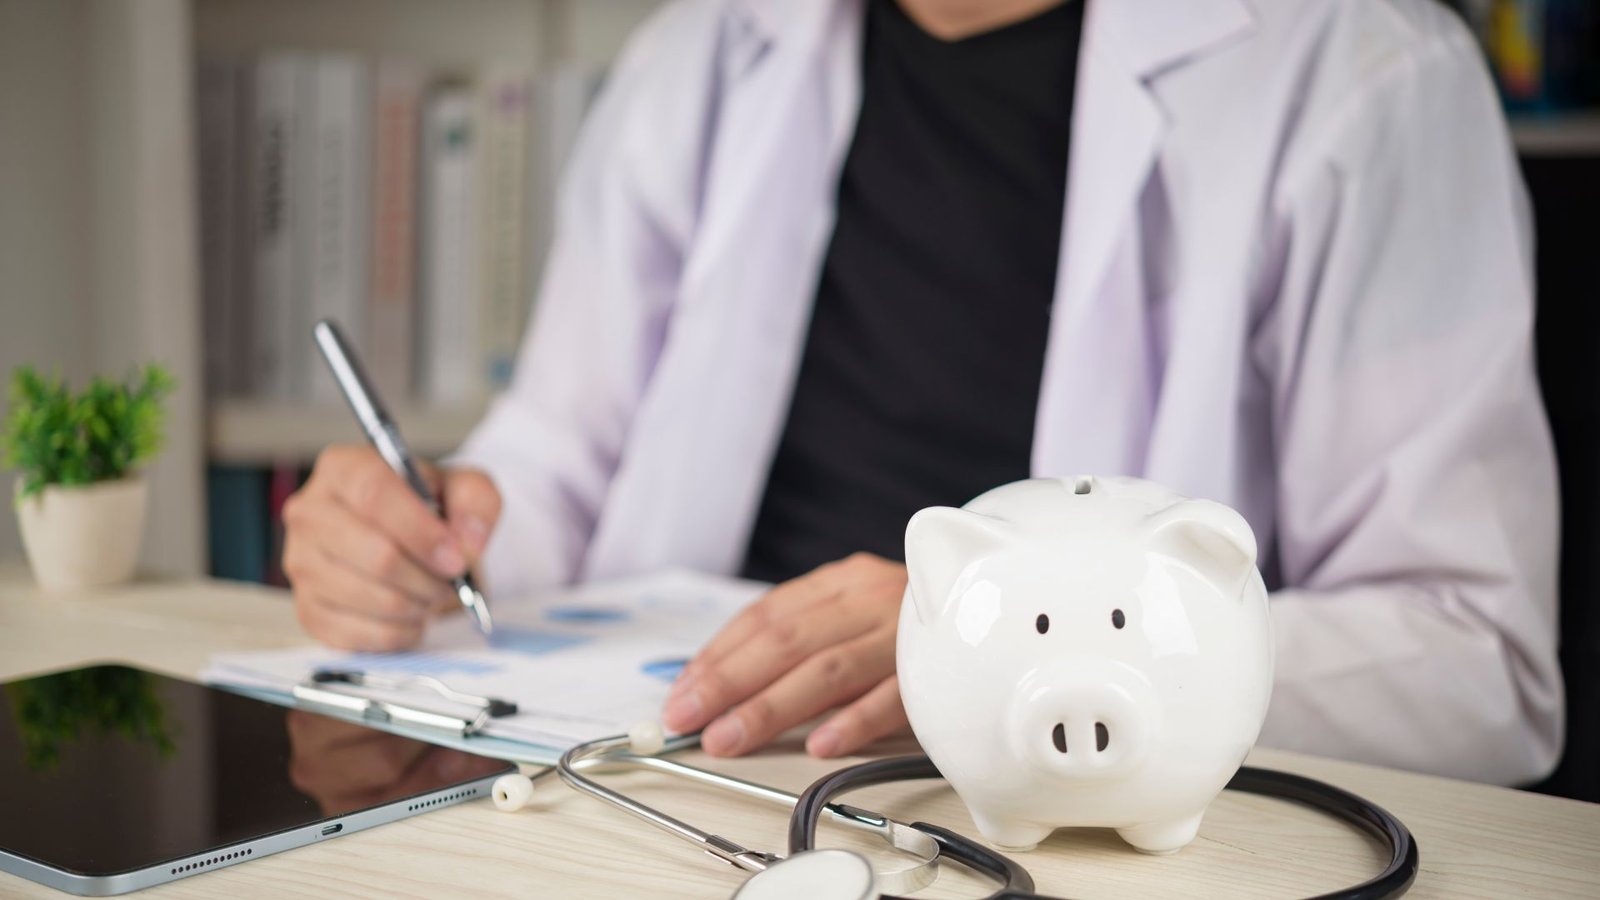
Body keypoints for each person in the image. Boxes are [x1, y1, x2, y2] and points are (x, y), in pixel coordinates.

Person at [281, 0, 1564, 785]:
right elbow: (555, 461)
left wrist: (1005, 642)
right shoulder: (705, 51)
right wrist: (421, 535)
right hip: (672, 776)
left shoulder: (1366, 71)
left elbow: (1476, 668)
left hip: (1068, 826)